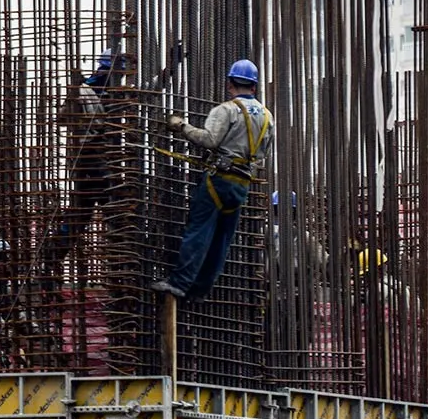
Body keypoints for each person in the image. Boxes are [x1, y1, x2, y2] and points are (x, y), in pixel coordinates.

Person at [156, 59, 273, 303]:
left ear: (230, 83)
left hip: (219, 180)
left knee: (198, 231)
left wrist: (182, 126)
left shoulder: (227, 110)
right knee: (222, 239)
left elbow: (209, 140)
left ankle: (179, 283)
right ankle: (200, 289)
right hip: (241, 184)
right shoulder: (267, 116)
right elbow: (263, 153)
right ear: (254, 87)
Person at [47, 50, 136, 278]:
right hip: (90, 156)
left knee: (82, 213)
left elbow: (146, 90)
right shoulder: (86, 89)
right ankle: (124, 264)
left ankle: (52, 256)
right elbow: (62, 118)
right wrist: (84, 107)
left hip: (98, 156)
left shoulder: (114, 90)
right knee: (111, 208)